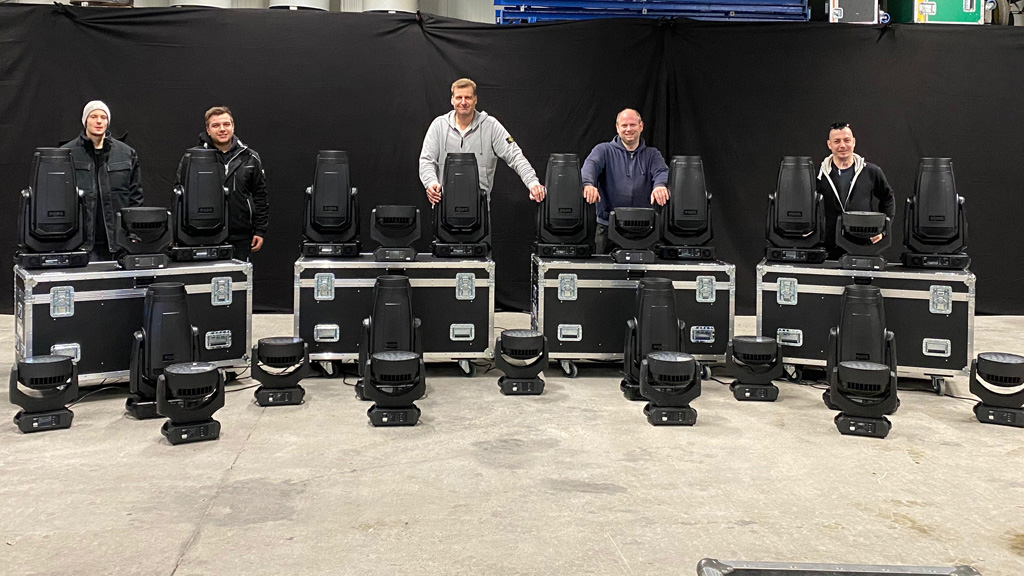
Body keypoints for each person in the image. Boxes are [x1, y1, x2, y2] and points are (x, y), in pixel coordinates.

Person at [419, 78, 546, 209]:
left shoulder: (491, 126)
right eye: (459, 97)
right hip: (443, 206)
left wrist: (532, 183)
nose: (463, 102)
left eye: (468, 97)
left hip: (480, 208)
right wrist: (431, 183)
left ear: (475, 99)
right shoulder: (438, 126)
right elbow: (426, 161)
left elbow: (515, 155)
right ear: (452, 100)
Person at [177, 106, 268, 261]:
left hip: (240, 234)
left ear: (233, 126)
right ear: (208, 130)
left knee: (240, 276)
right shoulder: (192, 158)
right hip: (202, 233)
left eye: (226, 124)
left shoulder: (250, 157)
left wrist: (259, 230)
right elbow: (179, 195)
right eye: (216, 125)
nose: (222, 129)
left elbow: (260, 195)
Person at [62, 100, 143, 261]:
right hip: (80, 243)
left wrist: (133, 233)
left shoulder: (127, 154)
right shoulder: (67, 154)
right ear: (85, 120)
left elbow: (135, 198)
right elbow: (60, 199)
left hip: (118, 243)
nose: (99, 121)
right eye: (93, 116)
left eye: (103, 117)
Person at [581, 108, 669, 254]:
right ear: (617, 127)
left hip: (645, 229)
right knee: (604, 268)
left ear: (641, 126)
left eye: (632, 125)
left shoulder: (652, 154)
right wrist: (588, 184)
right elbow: (590, 166)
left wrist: (660, 186)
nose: (628, 129)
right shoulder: (603, 150)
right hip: (608, 228)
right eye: (624, 125)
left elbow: (662, 171)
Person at [816, 122, 895, 259]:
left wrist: (883, 229)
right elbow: (807, 204)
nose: (842, 145)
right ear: (829, 144)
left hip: (862, 245)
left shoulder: (871, 171)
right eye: (837, 141)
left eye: (847, 140)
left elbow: (888, 198)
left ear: (854, 142)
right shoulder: (818, 175)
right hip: (826, 247)